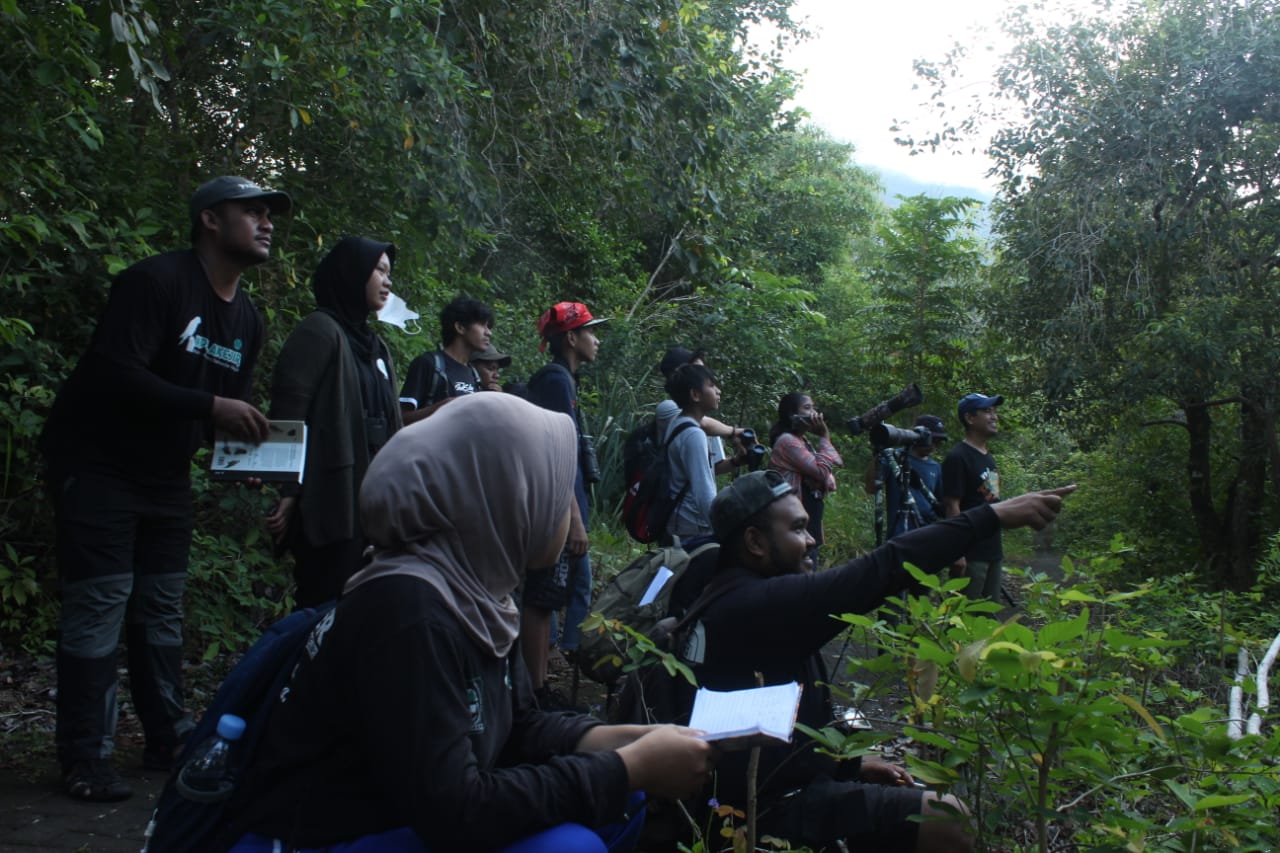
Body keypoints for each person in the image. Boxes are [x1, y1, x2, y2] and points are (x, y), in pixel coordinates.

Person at [221, 393, 717, 852]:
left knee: (622, 797)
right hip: (318, 837)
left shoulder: (475, 591)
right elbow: (457, 811)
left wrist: (618, 743)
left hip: (405, 813)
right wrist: (625, 768)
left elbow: (515, 725)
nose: (565, 511)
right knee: (572, 846)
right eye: (553, 489)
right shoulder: (408, 611)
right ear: (504, 495)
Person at [39, 175, 289, 802]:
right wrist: (211, 407)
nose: (267, 223)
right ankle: (86, 756)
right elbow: (115, 373)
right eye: (252, 212)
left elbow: (225, 412)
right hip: (97, 465)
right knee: (100, 603)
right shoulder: (155, 282)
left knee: (161, 606)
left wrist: (238, 453)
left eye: (270, 215)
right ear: (210, 219)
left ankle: (167, 737)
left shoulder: (248, 319)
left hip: (165, 477)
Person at [679, 470, 1074, 852]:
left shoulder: (724, 595)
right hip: (761, 815)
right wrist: (990, 516)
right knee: (949, 820)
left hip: (766, 792)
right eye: (798, 529)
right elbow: (882, 568)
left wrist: (847, 767)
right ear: (755, 542)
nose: (813, 540)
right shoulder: (756, 605)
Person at [266, 237, 403, 608]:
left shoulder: (375, 346)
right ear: (351, 273)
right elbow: (288, 411)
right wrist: (288, 491)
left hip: (374, 498)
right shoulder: (319, 331)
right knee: (324, 601)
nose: (388, 281)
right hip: (332, 497)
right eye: (379, 270)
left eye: (389, 272)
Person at [520, 301, 608, 704]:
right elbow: (558, 452)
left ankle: (542, 680)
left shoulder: (562, 380)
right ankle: (538, 685)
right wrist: (573, 519)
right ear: (571, 338)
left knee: (552, 593)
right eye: (590, 331)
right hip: (556, 506)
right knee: (545, 596)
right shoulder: (556, 381)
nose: (596, 339)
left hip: (560, 502)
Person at [654, 347, 756, 477]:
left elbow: (713, 467)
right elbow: (702, 423)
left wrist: (737, 461)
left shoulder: (707, 422)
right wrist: (734, 432)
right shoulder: (667, 407)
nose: (704, 373)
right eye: (698, 369)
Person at [768, 392, 844, 566]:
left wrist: (822, 474)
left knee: (809, 566)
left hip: (808, 519)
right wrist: (824, 436)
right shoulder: (788, 442)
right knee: (801, 571)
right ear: (792, 415)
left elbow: (834, 469)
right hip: (793, 520)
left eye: (813, 408)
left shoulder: (803, 441)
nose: (814, 414)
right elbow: (823, 471)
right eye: (808, 408)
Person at [942, 393, 1004, 601]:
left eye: (994, 411)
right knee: (964, 613)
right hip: (971, 553)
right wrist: (957, 552)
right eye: (987, 411)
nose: (994, 416)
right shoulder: (957, 457)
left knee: (989, 613)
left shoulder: (988, 458)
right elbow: (952, 505)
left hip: (993, 550)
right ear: (970, 418)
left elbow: (993, 498)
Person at [398, 296, 493, 422]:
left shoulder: (474, 374)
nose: (488, 333)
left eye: (488, 327)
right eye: (482, 325)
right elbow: (400, 418)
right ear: (460, 327)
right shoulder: (428, 363)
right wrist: (442, 408)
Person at [663, 363, 723, 543]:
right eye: (711, 386)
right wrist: (721, 531)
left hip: (678, 521)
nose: (718, 391)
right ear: (695, 395)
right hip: (692, 527)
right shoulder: (693, 434)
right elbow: (704, 493)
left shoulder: (678, 423)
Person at [865, 414, 948, 541]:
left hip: (927, 532)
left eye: (938, 442)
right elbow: (871, 487)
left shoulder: (935, 467)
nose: (933, 446)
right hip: (899, 533)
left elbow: (941, 505)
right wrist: (879, 452)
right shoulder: (894, 458)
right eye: (932, 440)